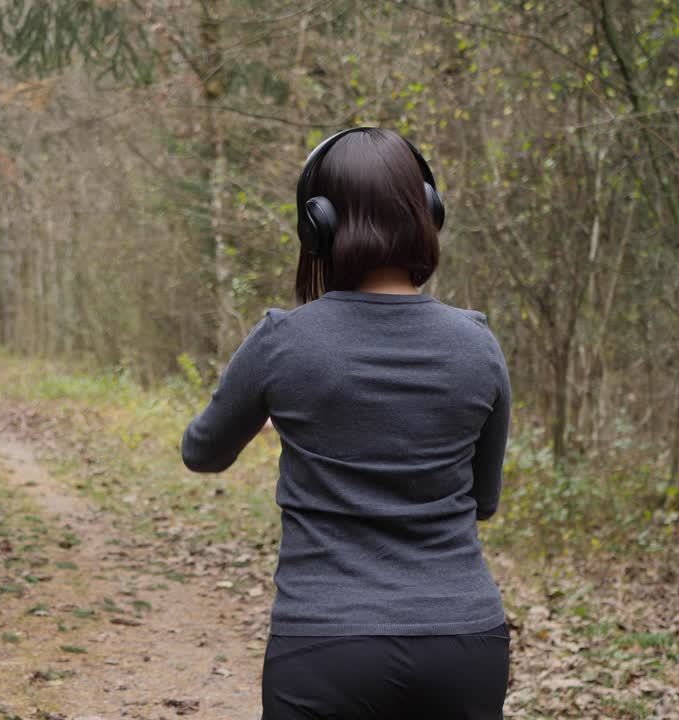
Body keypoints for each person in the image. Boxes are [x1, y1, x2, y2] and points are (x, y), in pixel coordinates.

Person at [181, 127, 512, 719]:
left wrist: (289, 418)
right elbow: (482, 500)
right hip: (463, 644)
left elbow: (201, 451)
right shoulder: (478, 344)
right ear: (429, 214)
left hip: (325, 646)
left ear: (317, 226)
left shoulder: (282, 341)